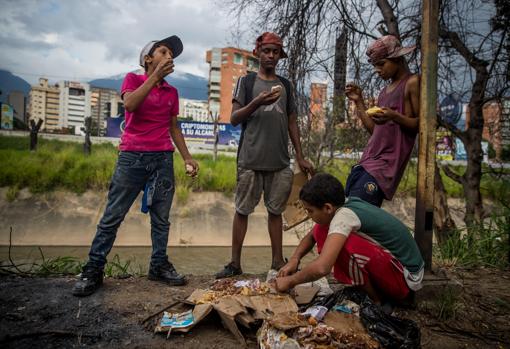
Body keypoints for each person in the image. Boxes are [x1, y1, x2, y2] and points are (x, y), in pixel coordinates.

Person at [73, 35, 199, 297]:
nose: (169, 56)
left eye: (171, 54)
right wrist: (154, 78)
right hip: (132, 158)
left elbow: (173, 127)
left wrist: (187, 157)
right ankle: (94, 269)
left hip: (162, 158)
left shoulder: (172, 92)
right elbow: (130, 104)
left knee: (161, 219)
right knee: (112, 216)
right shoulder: (133, 79)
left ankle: (158, 265)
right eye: (163, 51)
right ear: (147, 59)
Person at [215, 32, 314, 278]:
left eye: (275, 52)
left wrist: (300, 156)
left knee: (275, 212)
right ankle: (235, 263)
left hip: (279, 162)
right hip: (250, 160)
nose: (271, 55)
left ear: (280, 55)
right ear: (258, 52)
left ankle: (277, 262)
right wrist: (256, 102)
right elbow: (235, 119)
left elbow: (292, 122)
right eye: (267, 51)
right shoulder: (246, 83)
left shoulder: (287, 85)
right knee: (242, 210)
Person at [274, 173, 424, 305]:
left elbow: (322, 267)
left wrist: (290, 281)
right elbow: (312, 236)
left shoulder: (344, 217)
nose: (308, 215)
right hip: (399, 270)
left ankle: (375, 301)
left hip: (405, 280)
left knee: (345, 245)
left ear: (327, 208)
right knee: (321, 229)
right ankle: (371, 291)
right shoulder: (342, 205)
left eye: (310, 211)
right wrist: (295, 259)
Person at [345, 35, 420, 207]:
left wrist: (395, 116)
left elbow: (420, 125)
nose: (377, 70)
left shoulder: (412, 82)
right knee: (348, 212)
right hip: (367, 161)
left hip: (384, 167)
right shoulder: (384, 92)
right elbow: (376, 131)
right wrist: (359, 101)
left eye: (381, 64)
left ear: (397, 59)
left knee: (357, 215)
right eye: (374, 65)